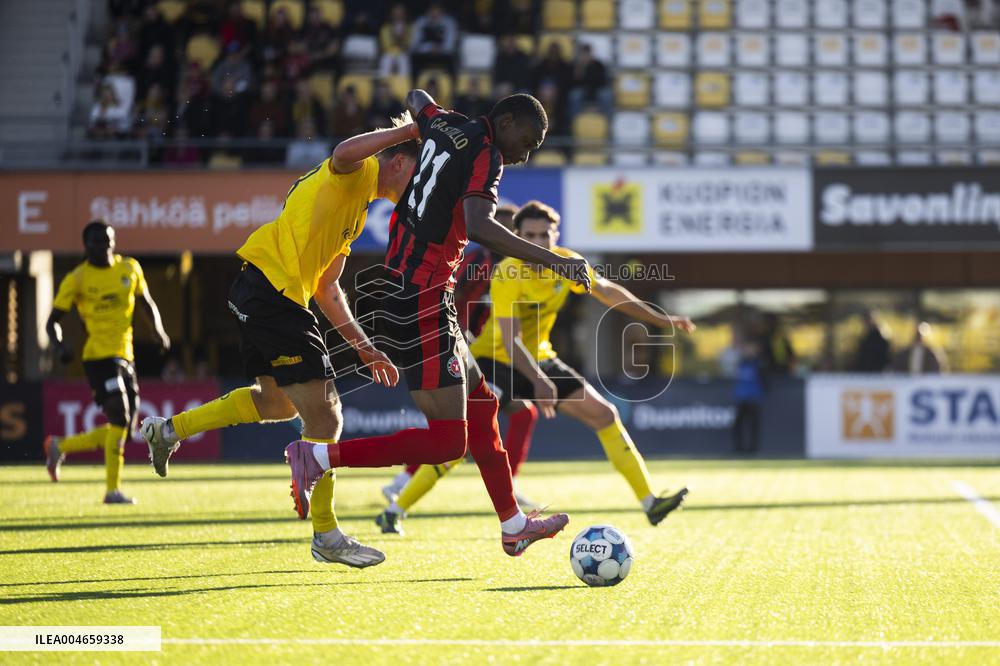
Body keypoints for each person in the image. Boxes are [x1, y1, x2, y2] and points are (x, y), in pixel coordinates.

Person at [284, 89, 592, 558]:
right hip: (421, 299)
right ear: (506, 122)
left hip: (417, 292)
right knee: (449, 442)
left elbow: (416, 97)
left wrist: (428, 121)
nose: (525, 156)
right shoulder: (487, 155)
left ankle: (513, 525)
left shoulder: (443, 122)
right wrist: (555, 261)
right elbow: (481, 226)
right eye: (526, 143)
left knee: (483, 405)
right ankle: (318, 455)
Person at [140, 117, 420, 568]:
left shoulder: (358, 210)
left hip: (260, 290)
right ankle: (326, 534)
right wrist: (408, 131)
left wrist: (364, 347)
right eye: (419, 175)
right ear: (401, 163)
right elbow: (343, 152)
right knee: (326, 416)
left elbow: (327, 288)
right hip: (273, 293)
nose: (419, 189)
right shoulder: (360, 170)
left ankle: (169, 430)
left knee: (276, 404)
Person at [375, 200, 694, 534]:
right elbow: (511, 341)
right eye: (530, 236)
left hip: (540, 357)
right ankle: (395, 510)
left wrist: (660, 318)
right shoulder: (507, 273)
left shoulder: (568, 262)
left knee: (605, 414)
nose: (539, 242)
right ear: (517, 237)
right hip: (493, 360)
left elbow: (608, 292)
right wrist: (539, 381)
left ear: (556, 235)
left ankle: (650, 502)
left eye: (545, 235)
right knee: (463, 441)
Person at [379, 204, 540, 507]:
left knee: (473, 425)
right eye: (502, 228)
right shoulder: (478, 261)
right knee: (474, 424)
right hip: (463, 350)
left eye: (512, 230)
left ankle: (402, 484)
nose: (507, 234)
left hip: (483, 355)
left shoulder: (516, 268)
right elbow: (449, 295)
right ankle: (403, 485)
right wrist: (457, 336)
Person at [43, 221, 170, 504]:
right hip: (98, 358)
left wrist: (158, 330)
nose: (103, 246)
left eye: (107, 241)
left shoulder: (130, 268)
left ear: (113, 242)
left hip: (126, 356)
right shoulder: (78, 278)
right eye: (97, 242)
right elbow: (52, 322)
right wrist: (60, 346)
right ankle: (112, 491)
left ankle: (60, 446)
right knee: (119, 417)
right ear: (86, 245)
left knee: (124, 429)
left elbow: (146, 302)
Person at [732, 340, 764, 454]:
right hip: (741, 398)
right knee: (737, 425)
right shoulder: (741, 363)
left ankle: (753, 449)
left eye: (751, 349)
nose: (748, 351)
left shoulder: (759, 364)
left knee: (753, 425)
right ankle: (739, 448)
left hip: (753, 398)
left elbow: (765, 380)